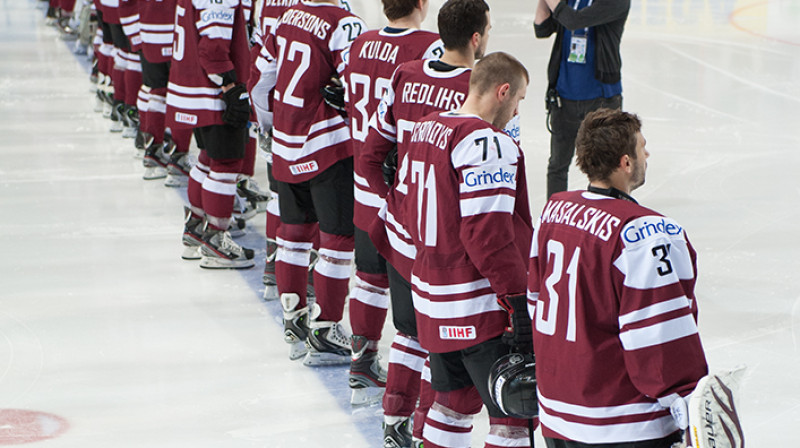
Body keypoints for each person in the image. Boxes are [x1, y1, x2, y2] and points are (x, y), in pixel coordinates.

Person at [527, 108, 709, 447]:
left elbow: (535, 302)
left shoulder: (553, 212)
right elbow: (659, 336)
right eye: (642, 147)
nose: (647, 154)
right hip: (623, 422)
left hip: (556, 414)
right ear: (625, 162)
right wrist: (687, 402)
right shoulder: (646, 234)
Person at [358, 0, 490, 444]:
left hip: (402, 231)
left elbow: (371, 155)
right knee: (443, 340)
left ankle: (395, 417)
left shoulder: (406, 75)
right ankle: (426, 425)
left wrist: (397, 202)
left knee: (411, 332)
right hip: (447, 245)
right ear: (476, 37)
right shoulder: (480, 89)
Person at [400, 51, 534, 448]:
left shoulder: (424, 129)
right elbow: (488, 236)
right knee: (512, 416)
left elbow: (404, 207)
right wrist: (517, 299)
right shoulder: (486, 143)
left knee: (452, 404)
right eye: (519, 100)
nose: (516, 112)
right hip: (478, 305)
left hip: (431, 298)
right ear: (503, 91)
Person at [251, 0, 366, 365]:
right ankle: (325, 326)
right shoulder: (344, 23)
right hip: (327, 145)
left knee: (293, 232)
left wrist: (269, 125)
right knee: (337, 239)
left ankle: (292, 317)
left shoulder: (286, 18)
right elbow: (357, 88)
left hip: (286, 142)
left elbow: (259, 80)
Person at [342, 0, 443, 410]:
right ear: (422, 4)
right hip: (406, 191)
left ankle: (361, 358)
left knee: (368, 276)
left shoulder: (361, 42)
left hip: (365, 179)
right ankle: (420, 389)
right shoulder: (431, 47)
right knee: (416, 296)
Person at [167, 0, 255, 269]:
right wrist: (230, 86)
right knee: (226, 164)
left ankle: (196, 228)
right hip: (211, 94)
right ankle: (216, 237)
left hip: (192, 88)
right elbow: (213, 47)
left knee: (207, 158)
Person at [534, 0, 630, 198]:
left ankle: (607, 216)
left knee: (606, 168)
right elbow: (542, 28)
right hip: (564, 96)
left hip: (601, 98)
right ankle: (554, 216)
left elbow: (574, 20)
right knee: (557, 166)